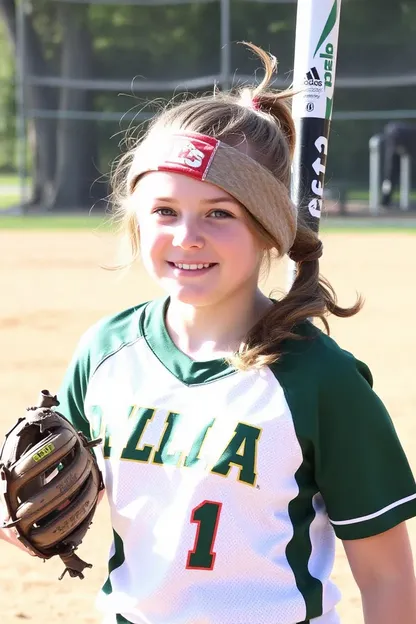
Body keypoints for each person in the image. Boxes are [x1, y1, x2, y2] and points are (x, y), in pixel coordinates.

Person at [2, 43, 416, 624]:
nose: (187, 235)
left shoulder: (320, 380)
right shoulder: (105, 353)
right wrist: (23, 510)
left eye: (220, 213)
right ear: (136, 221)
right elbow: (59, 486)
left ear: (269, 227)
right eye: (165, 211)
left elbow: (388, 574)